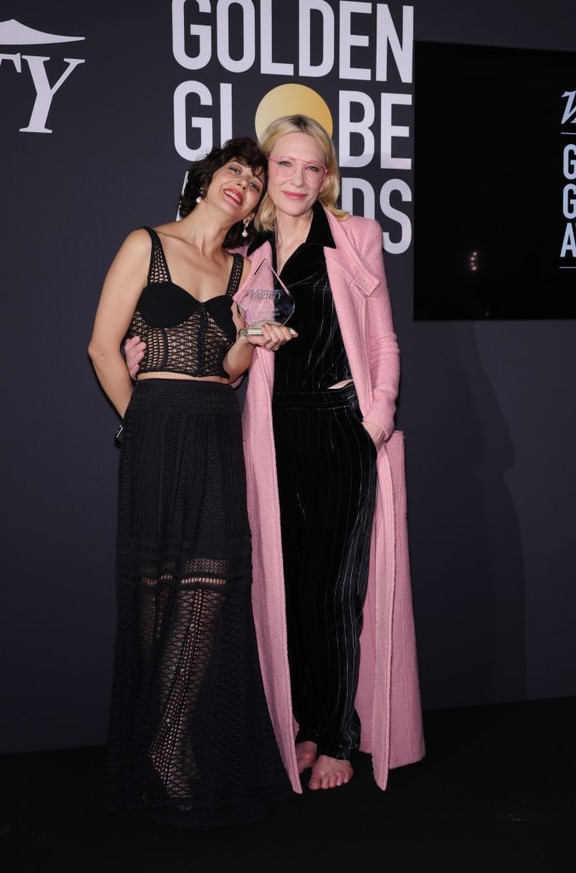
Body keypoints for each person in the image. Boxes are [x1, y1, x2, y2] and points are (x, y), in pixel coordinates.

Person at [126, 115, 425, 794]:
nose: (296, 179)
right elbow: (230, 362)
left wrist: (373, 422)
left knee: (339, 590)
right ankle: (306, 721)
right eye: (283, 166)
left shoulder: (355, 237)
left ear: (327, 176)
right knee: (288, 586)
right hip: (271, 436)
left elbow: (383, 341)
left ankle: (341, 737)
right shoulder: (246, 254)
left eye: (310, 167)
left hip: (341, 428)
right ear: (267, 175)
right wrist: (143, 355)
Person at [88, 136, 297, 829]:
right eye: (235, 169)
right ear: (207, 179)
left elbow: (231, 367)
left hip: (214, 431)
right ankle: (152, 738)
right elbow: (102, 346)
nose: (244, 183)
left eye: (255, 180)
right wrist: (136, 419)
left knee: (206, 595)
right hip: (155, 428)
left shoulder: (243, 270)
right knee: (154, 601)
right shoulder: (144, 243)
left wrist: (256, 337)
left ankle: (170, 745)